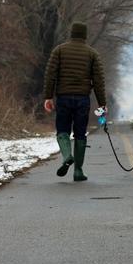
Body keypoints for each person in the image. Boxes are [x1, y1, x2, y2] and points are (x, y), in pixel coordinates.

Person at [43, 22, 107, 181]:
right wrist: (102, 103)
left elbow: (50, 74)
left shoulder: (59, 50)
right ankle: (78, 171)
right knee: (80, 134)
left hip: (63, 97)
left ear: (71, 33)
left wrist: (48, 97)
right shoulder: (92, 54)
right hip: (82, 99)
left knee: (62, 130)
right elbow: (98, 80)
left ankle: (66, 156)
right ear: (85, 35)